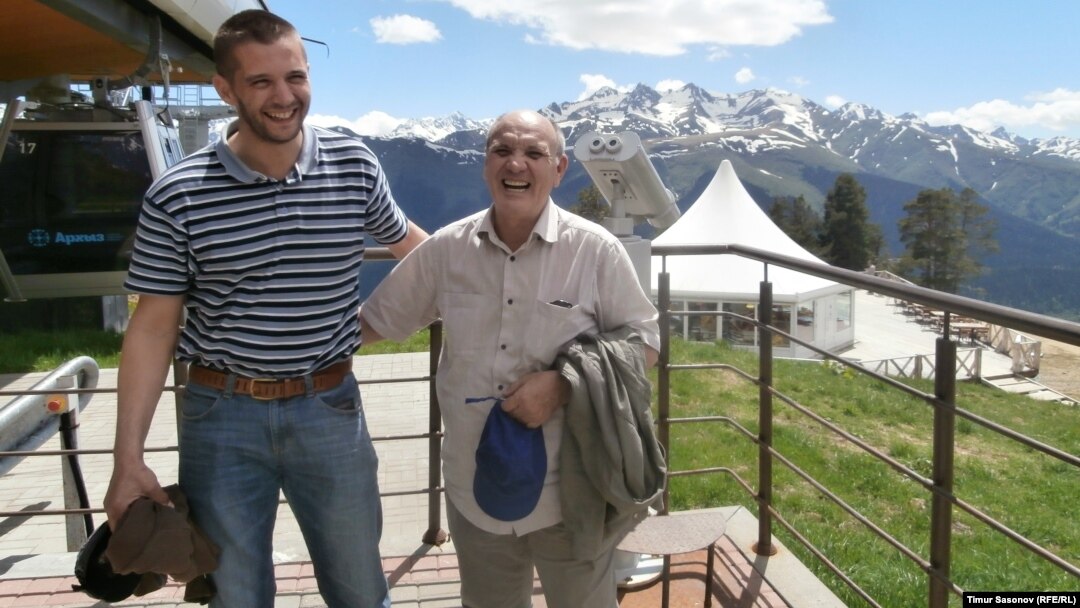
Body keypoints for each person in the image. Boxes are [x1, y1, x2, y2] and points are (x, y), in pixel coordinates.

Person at [103, 9, 428, 608]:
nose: (285, 97)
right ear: (226, 89)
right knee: (237, 596)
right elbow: (151, 330)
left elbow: (421, 255)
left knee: (361, 591)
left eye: (296, 77)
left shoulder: (354, 166)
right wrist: (128, 460)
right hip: (219, 417)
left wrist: (497, 281)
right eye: (261, 82)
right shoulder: (177, 194)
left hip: (331, 409)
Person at [360, 109, 661, 607]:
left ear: (559, 169)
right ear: (484, 164)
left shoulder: (595, 251)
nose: (515, 164)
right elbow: (372, 322)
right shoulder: (446, 250)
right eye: (502, 150)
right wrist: (279, 347)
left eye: (533, 153)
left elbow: (645, 341)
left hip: (573, 491)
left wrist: (563, 384)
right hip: (474, 486)